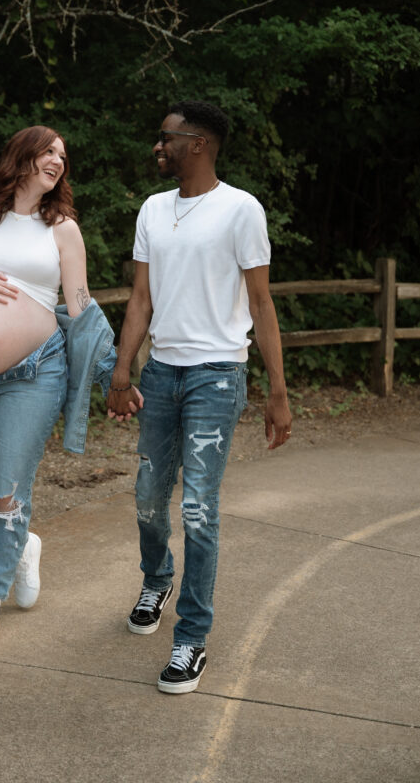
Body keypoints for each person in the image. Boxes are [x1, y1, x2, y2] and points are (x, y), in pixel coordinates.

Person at [107, 100, 292, 694]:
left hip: (217, 375)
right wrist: (121, 371)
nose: (158, 146)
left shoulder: (241, 210)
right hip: (162, 374)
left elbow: (261, 302)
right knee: (147, 498)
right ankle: (157, 577)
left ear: (199, 143)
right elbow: (141, 299)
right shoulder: (152, 210)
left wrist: (277, 390)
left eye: (167, 137)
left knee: (198, 510)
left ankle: (191, 638)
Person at [0, 125, 130, 650]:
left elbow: (81, 308)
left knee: (7, 494)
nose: (58, 161)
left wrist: (114, 375)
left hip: (35, 375)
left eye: (63, 155)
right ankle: (22, 546)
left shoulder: (62, 229)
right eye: (49, 152)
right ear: (22, 157)